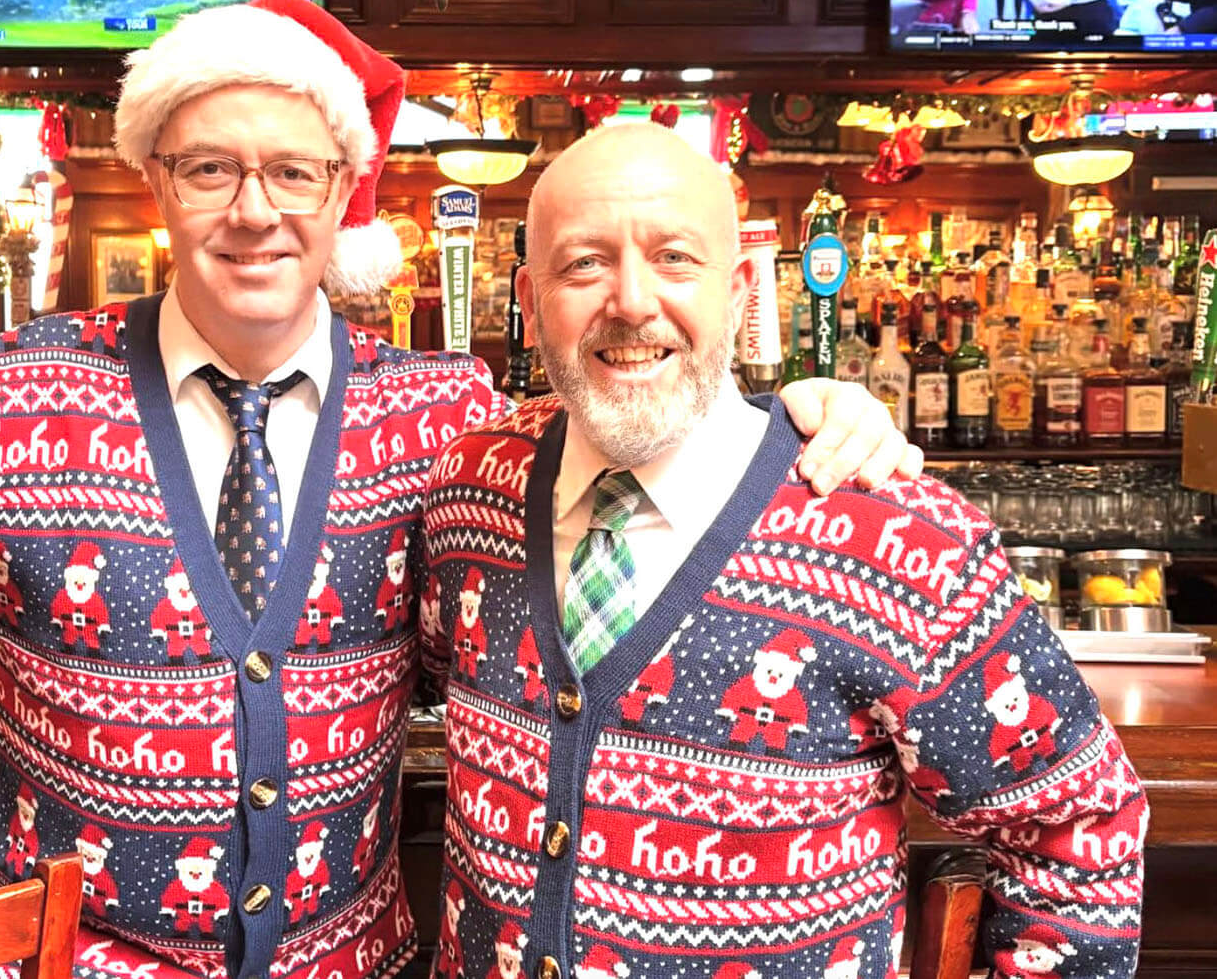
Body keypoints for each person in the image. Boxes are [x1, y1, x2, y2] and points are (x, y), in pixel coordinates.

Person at [0, 0, 917, 979]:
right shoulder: (9, 398)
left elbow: (642, 414)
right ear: (153, 184)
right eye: (208, 168)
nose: (254, 211)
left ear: (346, 188)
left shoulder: (446, 421)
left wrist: (791, 416)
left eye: (294, 170)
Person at [422, 123, 1146, 979]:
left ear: (737, 294)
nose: (630, 300)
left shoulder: (899, 536)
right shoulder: (472, 487)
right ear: (529, 296)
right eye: (582, 264)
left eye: (675, 258)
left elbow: (1080, 830)